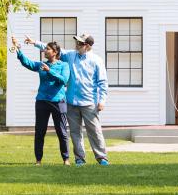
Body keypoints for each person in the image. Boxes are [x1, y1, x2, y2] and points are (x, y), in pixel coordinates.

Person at [14, 36, 71, 165]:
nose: (45, 51)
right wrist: (19, 49)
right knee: (40, 131)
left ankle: (66, 159)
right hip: (42, 101)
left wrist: (49, 71)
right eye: (45, 48)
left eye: (47, 49)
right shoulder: (41, 65)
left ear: (55, 52)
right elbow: (27, 63)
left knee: (61, 131)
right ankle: (38, 160)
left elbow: (64, 80)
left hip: (58, 101)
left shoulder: (64, 65)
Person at [61, 34, 109, 166]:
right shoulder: (71, 55)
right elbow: (55, 50)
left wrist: (102, 100)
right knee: (75, 132)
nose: (77, 45)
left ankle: (102, 158)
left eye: (80, 44)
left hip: (89, 103)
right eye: (77, 43)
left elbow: (103, 82)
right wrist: (34, 42)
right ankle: (79, 159)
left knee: (94, 131)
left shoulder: (96, 60)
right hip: (71, 102)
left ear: (87, 46)